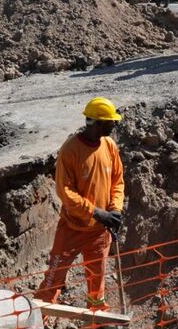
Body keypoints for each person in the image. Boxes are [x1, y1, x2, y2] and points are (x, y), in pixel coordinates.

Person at [35, 97, 125, 311]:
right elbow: (65, 192)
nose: (114, 125)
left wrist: (115, 209)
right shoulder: (70, 150)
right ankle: (40, 314)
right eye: (111, 121)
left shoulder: (109, 146)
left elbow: (117, 181)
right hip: (72, 228)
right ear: (99, 123)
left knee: (97, 279)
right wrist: (95, 212)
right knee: (54, 276)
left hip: (99, 231)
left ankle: (96, 314)